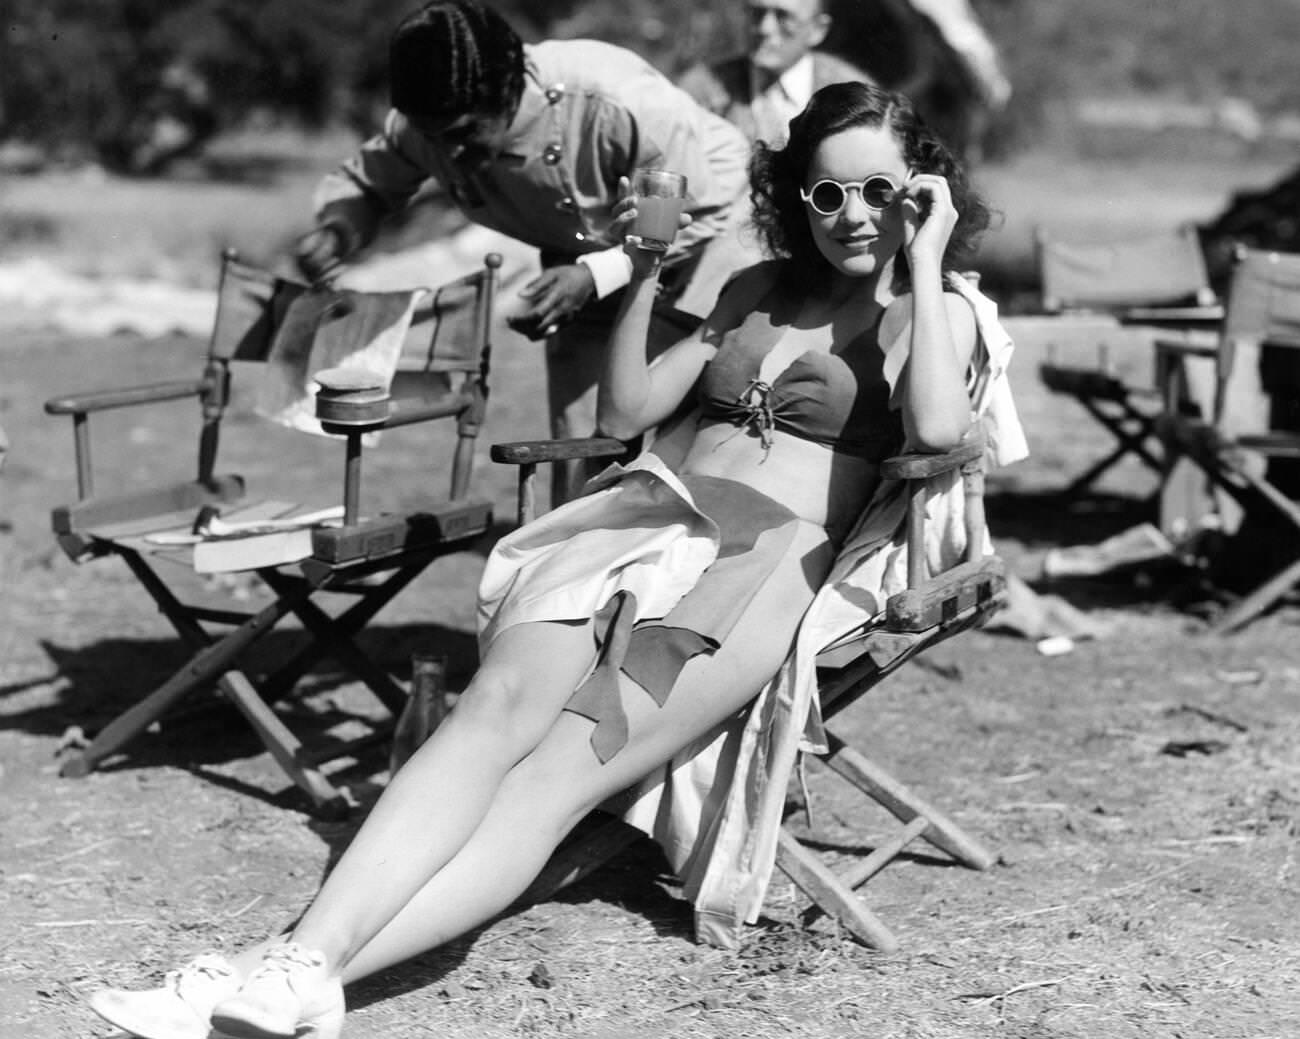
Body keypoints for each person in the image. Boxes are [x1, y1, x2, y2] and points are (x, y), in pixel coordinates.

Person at [88, 81, 1007, 1039]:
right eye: (827, 194)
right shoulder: (757, 289)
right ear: (797, 197)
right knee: (491, 711)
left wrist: (931, 257)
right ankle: (301, 962)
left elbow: (940, 426)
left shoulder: (932, 313)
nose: (852, 216)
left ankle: (280, 969)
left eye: (878, 191)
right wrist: (647, 273)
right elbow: (628, 413)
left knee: (553, 781)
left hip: (756, 571)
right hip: (645, 521)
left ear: (921, 190)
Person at [297, 0, 750, 502]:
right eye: (434, 139)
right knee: (583, 448)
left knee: (688, 437)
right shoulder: (430, 126)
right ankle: (572, 561)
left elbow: (691, 210)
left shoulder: (614, 97)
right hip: (588, 266)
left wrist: (595, 274)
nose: (448, 156)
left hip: (707, 247)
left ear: (507, 95)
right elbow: (367, 183)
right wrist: (338, 229)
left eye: (464, 136)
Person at [678, 0, 875, 147]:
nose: (765, 28)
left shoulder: (851, 94)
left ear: (818, 30)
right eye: (757, 13)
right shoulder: (701, 89)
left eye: (784, 17)